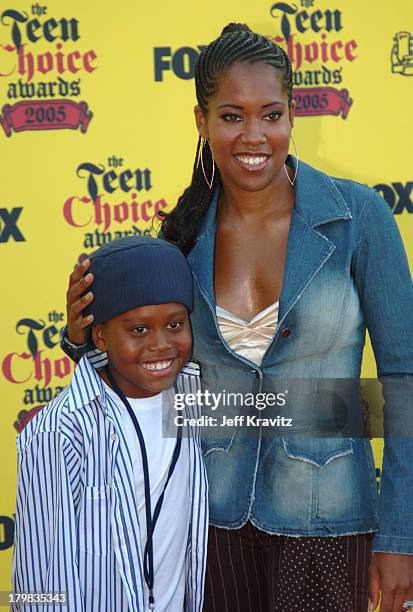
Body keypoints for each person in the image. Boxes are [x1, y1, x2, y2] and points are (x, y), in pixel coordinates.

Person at [61, 23, 413, 612]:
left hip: (327, 523)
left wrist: (401, 535)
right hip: (206, 519)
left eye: (270, 114)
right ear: (201, 121)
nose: (253, 135)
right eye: (231, 116)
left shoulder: (358, 218)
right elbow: (149, 377)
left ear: (292, 117)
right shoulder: (179, 237)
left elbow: (402, 379)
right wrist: (82, 343)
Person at [13, 236, 208, 612]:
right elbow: (37, 581)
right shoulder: (59, 432)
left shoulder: (195, 397)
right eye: (139, 330)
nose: (161, 344)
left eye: (174, 324)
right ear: (99, 336)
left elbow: (297, 409)